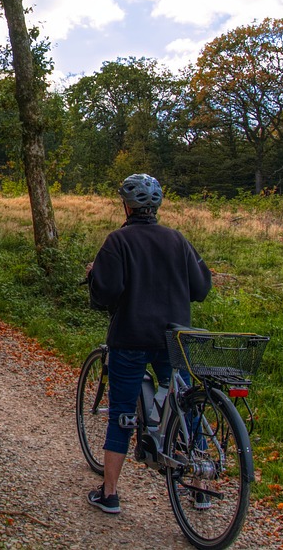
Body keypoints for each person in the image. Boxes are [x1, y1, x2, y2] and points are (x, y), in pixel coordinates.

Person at [84, 173, 212, 515]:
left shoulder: (117, 241)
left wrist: (93, 275)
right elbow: (201, 289)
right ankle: (200, 487)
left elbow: (105, 294)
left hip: (130, 337)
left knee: (122, 415)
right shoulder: (178, 240)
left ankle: (110, 493)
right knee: (187, 405)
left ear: (126, 206)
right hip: (175, 338)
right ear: (156, 206)